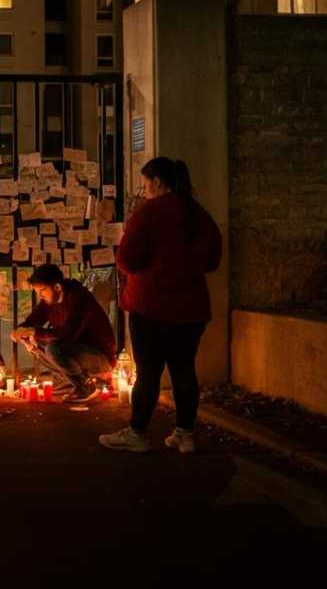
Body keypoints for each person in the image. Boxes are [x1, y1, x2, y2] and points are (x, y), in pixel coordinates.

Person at [100, 157, 222, 455]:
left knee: (149, 371)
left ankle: (138, 433)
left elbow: (127, 259)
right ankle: (185, 434)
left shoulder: (149, 213)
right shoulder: (198, 213)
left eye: (145, 184)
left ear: (156, 181)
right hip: (191, 307)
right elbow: (212, 260)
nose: (144, 191)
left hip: (150, 305)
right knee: (184, 370)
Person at [10, 263, 117, 404]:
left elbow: (67, 335)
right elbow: (32, 321)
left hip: (99, 358)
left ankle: (85, 386)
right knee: (37, 343)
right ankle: (72, 381)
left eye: (42, 291)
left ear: (57, 287)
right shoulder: (49, 301)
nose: (41, 296)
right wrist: (21, 332)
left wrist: (33, 331)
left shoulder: (79, 299)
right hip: (76, 350)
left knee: (53, 347)